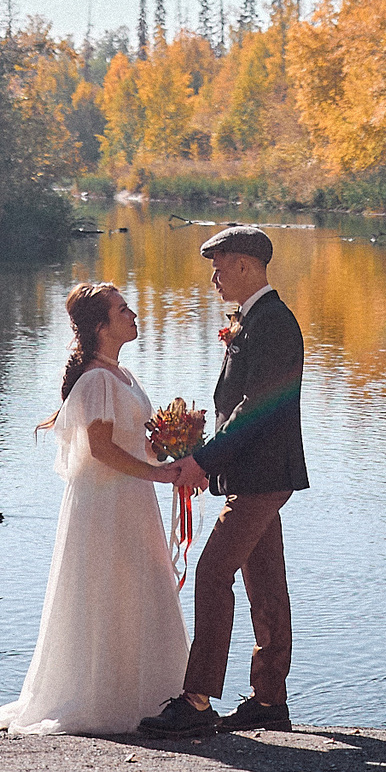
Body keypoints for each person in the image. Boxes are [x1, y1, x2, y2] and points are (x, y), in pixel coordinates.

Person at [0, 282, 191, 735]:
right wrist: (159, 475)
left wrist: (173, 455)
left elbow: (134, 445)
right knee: (107, 590)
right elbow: (100, 449)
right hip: (105, 505)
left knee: (136, 588)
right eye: (123, 310)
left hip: (130, 499)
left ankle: (148, 696)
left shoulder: (123, 376)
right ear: (101, 326)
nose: (134, 313)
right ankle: (101, 699)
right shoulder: (98, 379)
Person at [140, 224, 307, 737]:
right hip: (256, 474)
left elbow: (255, 409)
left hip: (262, 475)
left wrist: (203, 461)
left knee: (213, 572)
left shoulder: (273, 322)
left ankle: (196, 702)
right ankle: (269, 700)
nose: (213, 276)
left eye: (219, 264)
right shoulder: (254, 320)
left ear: (244, 265)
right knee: (265, 582)